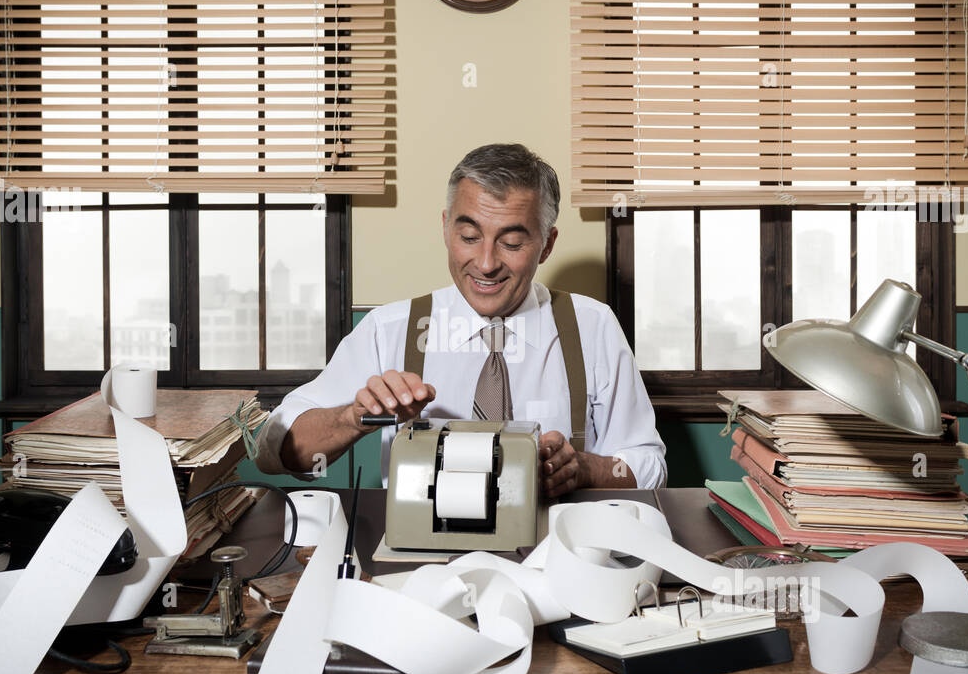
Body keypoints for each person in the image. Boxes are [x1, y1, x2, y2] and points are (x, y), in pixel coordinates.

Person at [254, 143, 667, 495]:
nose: (486, 263)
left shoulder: (593, 327)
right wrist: (352, 418)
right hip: (417, 568)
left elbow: (650, 465)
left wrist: (583, 470)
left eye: (511, 242)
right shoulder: (388, 329)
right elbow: (274, 452)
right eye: (469, 237)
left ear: (546, 245)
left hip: (557, 557)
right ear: (445, 227)